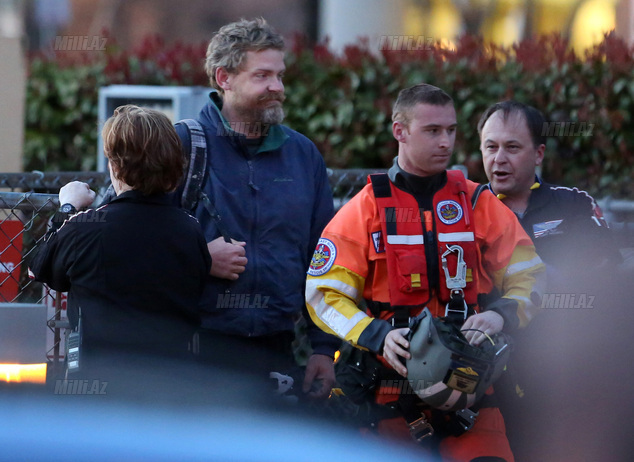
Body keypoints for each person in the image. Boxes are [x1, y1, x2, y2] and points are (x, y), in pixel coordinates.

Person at [305, 84, 545, 461]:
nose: (445, 141)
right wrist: (376, 334)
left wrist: (502, 315)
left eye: (451, 130)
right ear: (400, 131)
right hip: (387, 397)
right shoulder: (364, 210)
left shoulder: (476, 201)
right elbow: (322, 295)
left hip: (471, 391)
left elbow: (530, 275)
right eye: (432, 131)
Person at [174, 18, 339, 397]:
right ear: (224, 78)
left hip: (278, 348)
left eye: (280, 76)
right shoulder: (181, 145)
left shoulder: (302, 155)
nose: (277, 88)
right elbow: (132, 239)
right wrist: (199, 257)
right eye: (263, 75)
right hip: (194, 348)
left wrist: (324, 348)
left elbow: (326, 258)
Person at [30, 105, 211, 366]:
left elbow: (39, 269)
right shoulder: (191, 229)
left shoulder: (85, 227)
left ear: (116, 165)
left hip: (101, 379)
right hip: (171, 380)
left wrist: (67, 208)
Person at [477, 100, 621, 288]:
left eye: (512, 147)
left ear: (539, 154)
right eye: (491, 147)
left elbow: (604, 268)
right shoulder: (467, 210)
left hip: (568, 314)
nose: (499, 159)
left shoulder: (575, 203)